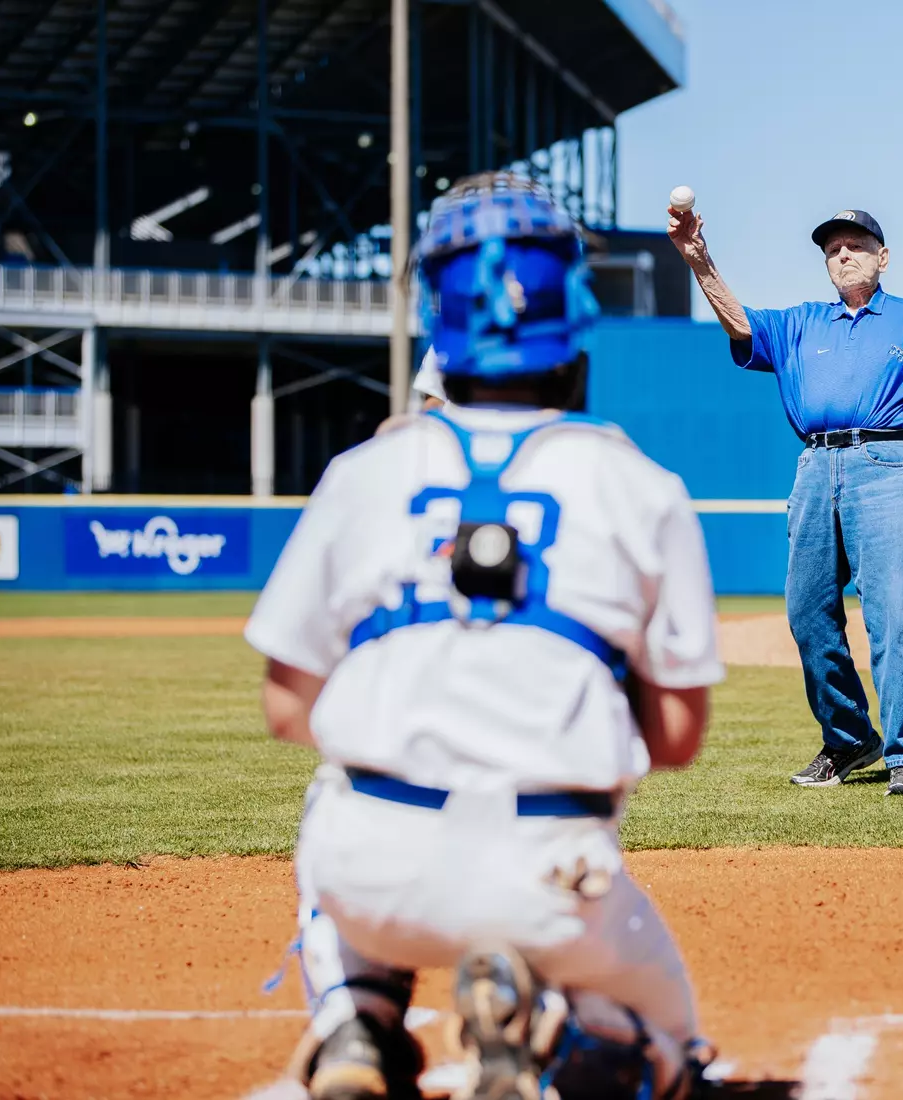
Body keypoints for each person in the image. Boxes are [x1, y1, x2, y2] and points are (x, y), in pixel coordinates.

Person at [246, 173, 724, 1100]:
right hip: (552, 879)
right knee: (676, 1055)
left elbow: (284, 705)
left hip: (369, 870)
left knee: (334, 790)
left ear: (438, 321)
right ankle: (557, 1028)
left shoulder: (363, 470)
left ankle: (356, 1019)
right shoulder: (644, 485)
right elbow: (677, 741)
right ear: (577, 320)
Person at [667, 205, 903, 798]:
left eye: (856, 244)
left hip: (889, 462)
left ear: (884, 257)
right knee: (807, 612)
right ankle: (850, 737)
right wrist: (697, 259)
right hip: (814, 465)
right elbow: (741, 325)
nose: (843, 254)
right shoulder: (803, 323)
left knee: (893, 616)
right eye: (832, 248)